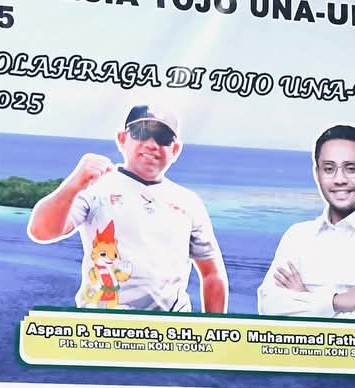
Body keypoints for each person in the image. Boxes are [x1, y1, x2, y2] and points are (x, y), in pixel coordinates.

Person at [28, 104, 229, 313]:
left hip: (171, 327)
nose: (151, 144)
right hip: (103, 323)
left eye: (163, 138)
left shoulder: (189, 202)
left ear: (175, 149)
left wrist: (214, 328)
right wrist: (73, 183)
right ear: (122, 139)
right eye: (141, 133)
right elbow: (41, 231)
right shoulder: (95, 186)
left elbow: (212, 274)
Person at [257, 124, 355, 320]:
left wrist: (303, 298)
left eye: (351, 168)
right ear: (317, 173)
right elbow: (269, 306)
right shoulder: (297, 236)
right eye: (329, 169)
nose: (339, 179)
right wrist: (338, 302)